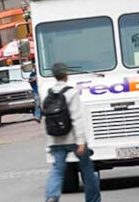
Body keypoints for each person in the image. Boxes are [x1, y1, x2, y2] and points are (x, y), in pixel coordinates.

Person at [44, 63, 100, 202]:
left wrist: (49, 144)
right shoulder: (71, 92)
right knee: (87, 171)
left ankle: (52, 196)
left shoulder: (48, 93)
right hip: (73, 139)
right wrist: (81, 142)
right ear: (66, 75)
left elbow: (46, 120)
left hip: (56, 139)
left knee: (57, 171)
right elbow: (76, 118)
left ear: (54, 75)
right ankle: (93, 199)